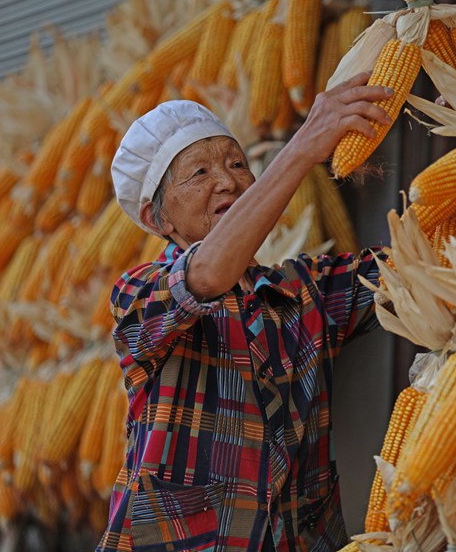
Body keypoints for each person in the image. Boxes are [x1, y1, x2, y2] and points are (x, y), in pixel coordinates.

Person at [96, 71, 393, 552]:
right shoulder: (138, 296)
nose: (228, 181)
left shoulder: (303, 292)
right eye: (199, 173)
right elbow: (207, 277)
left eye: (237, 164)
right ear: (159, 218)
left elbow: (414, 267)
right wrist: (300, 149)